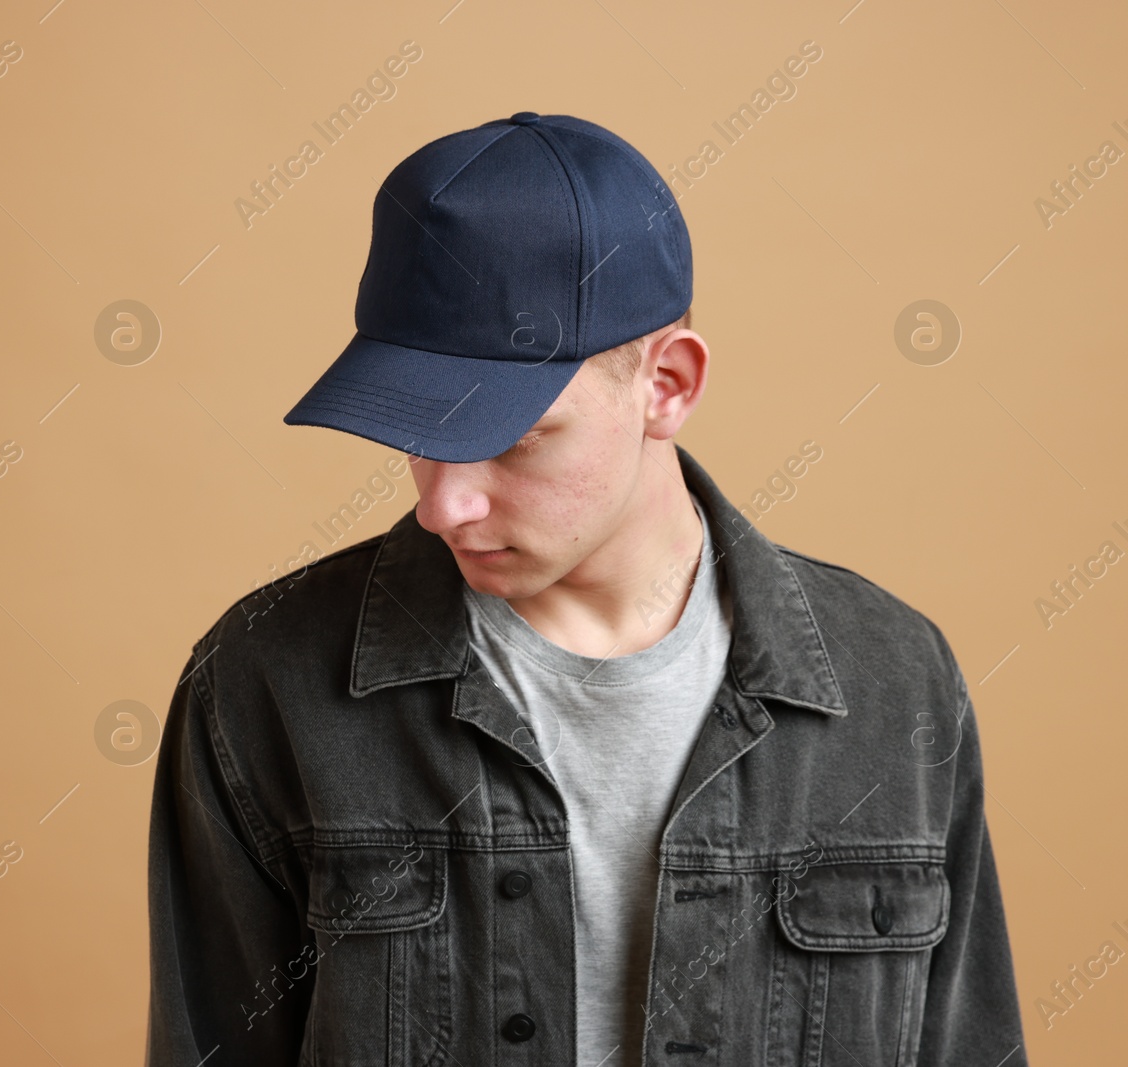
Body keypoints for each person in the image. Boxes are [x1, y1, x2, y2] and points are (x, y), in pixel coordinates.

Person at [146, 112, 1026, 1066]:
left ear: (669, 385)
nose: (445, 503)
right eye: (414, 429)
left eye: (513, 436)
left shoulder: (893, 680)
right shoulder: (263, 679)